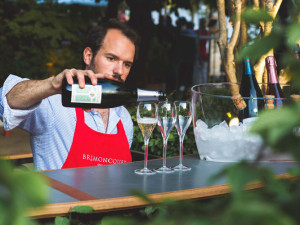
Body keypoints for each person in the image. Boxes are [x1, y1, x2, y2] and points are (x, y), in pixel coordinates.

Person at [0, 19, 140, 171]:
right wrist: (51, 85)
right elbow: (6, 100)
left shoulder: (123, 117)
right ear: (88, 56)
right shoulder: (56, 103)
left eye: (127, 64)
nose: (120, 71)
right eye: (111, 58)